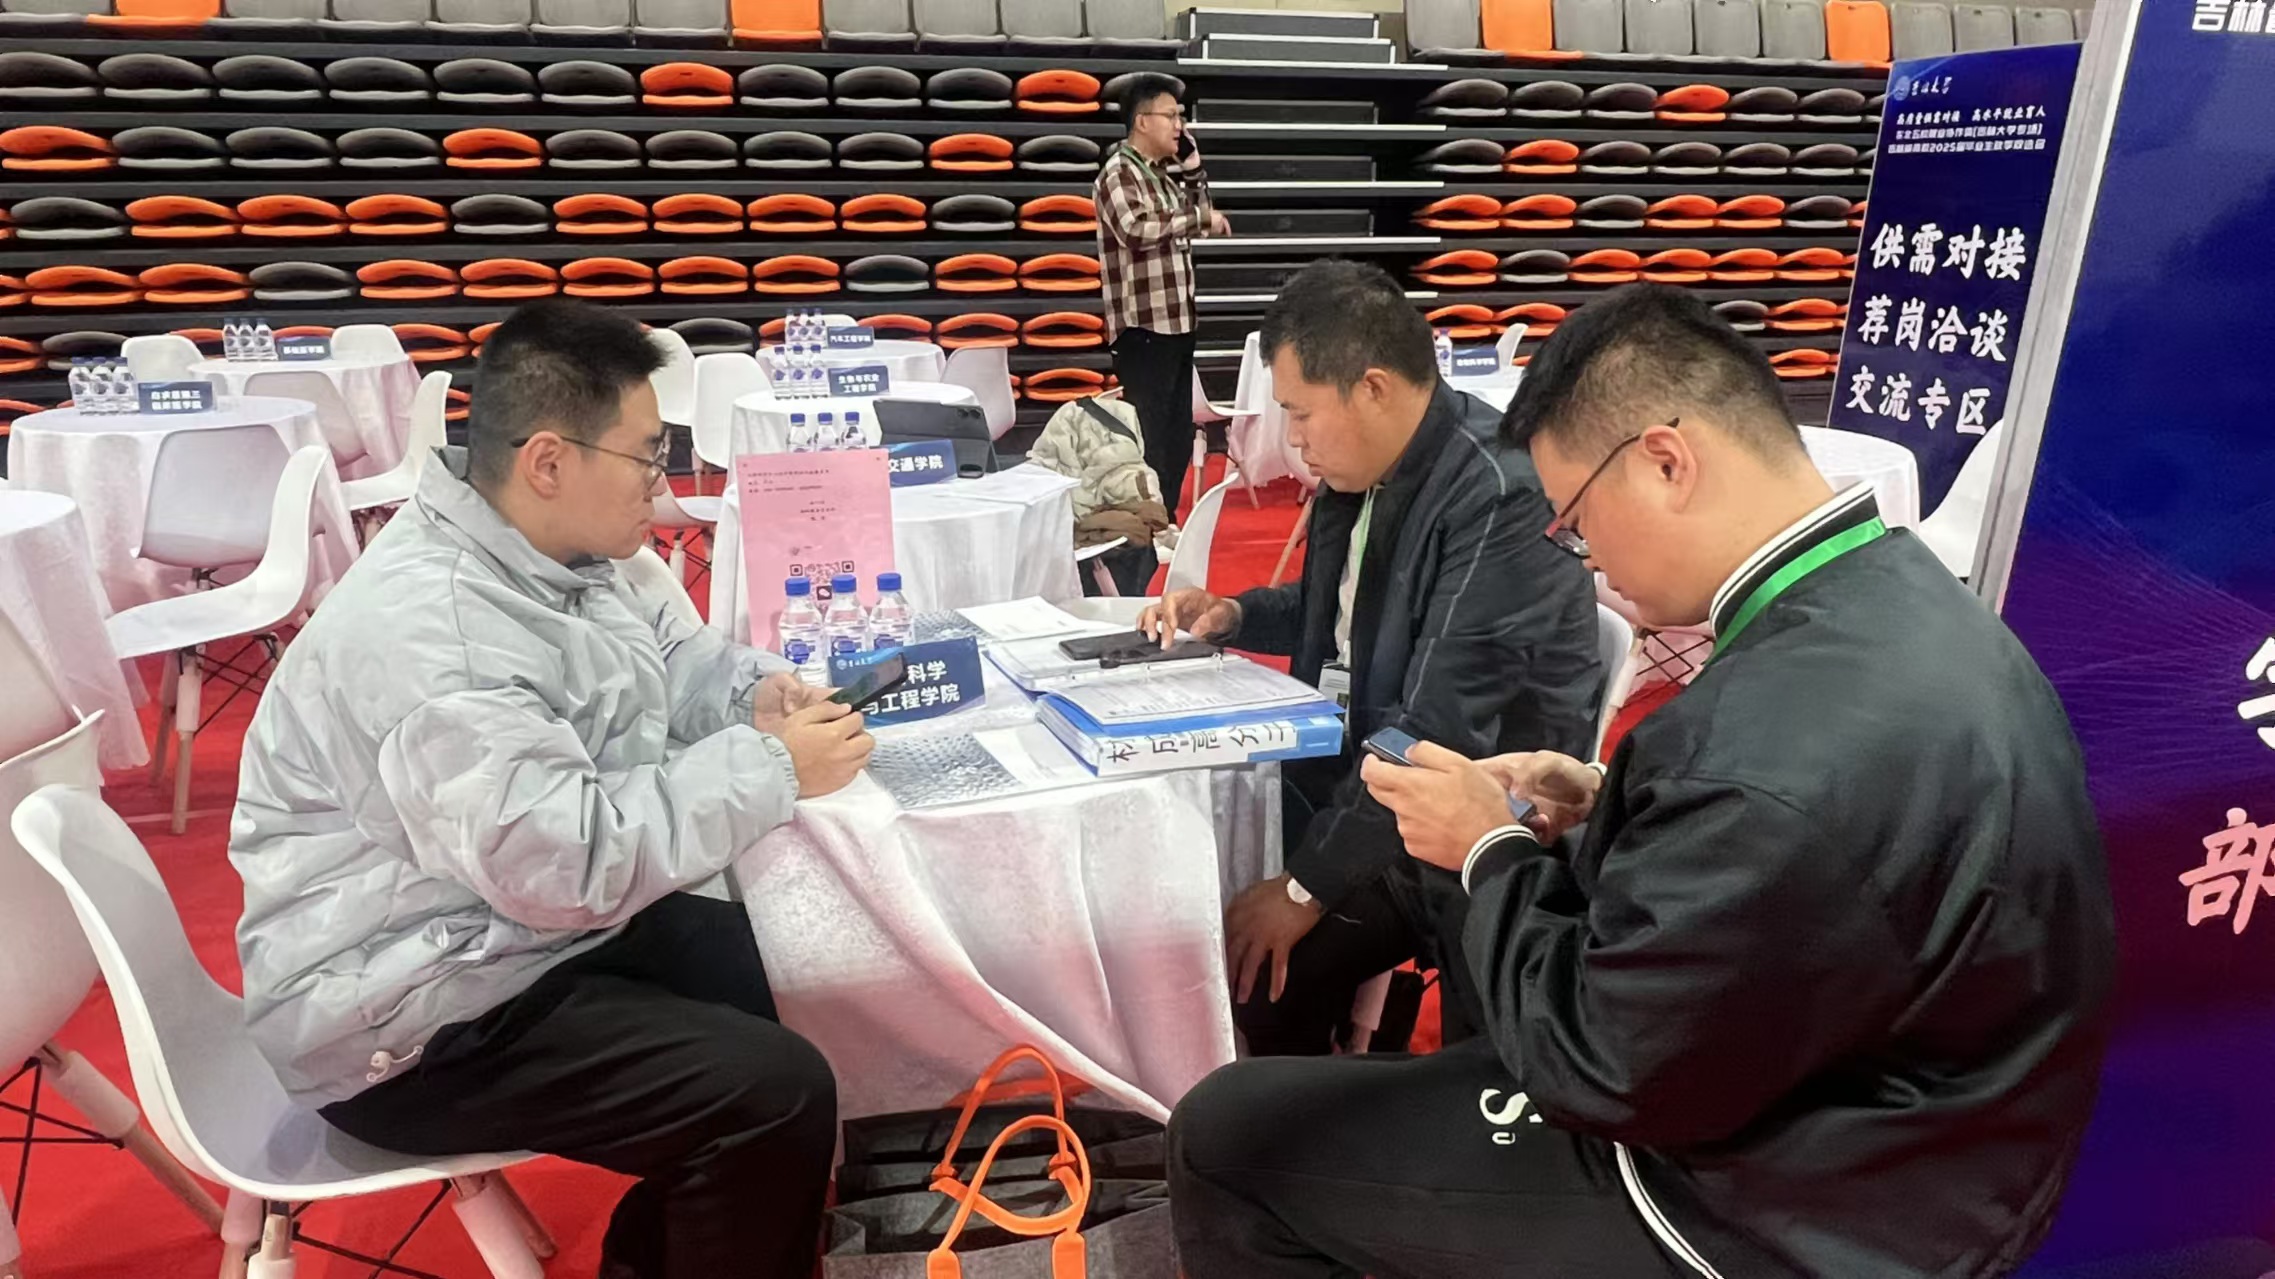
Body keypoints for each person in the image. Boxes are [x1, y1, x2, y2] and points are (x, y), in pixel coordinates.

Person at [1166, 283, 2116, 1278]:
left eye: (1579, 522)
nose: (1589, 562)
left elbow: (1597, 1067)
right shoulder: (1903, 598)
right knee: (1421, 925)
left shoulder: (1762, 741)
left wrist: (1489, 847)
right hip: (1921, 1135)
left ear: (1665, 462)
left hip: (1791, 1208)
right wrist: (1600, 795)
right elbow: (1801, 867)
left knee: (1227, 1136)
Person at [231, 299, 873, 1279]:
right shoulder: (437, 635)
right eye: (648, 458)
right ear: (548, 461)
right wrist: (774, 765)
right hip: (401, 1011)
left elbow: (672, 663)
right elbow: (562, 864)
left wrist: (756, 696)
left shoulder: (555, 551)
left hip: (507, 933)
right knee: (769, 1090)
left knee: (808, 969)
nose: (665, 487)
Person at [1141, 259, 1600, 1057]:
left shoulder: (1496, 495)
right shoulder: (1372, 469)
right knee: (1187, 869)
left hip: (1466, 809)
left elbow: (1438, 726)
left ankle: (1315, 1110)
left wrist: (1304, 888)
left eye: (1299, 413)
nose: (1292, 439)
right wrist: (1236, 613)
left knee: (1263, 971)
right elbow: (1343, 613)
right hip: (1360, 757)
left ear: (1373, 388)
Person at [1096, 70, 1230, 524]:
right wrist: (1197, 220)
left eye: (1181, 116)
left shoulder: (1162, 177)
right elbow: (1135, 230)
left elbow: (1202, 214)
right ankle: (1147, 526)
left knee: (1175, 436)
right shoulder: (1119, 172)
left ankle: (1165, 520)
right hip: (1143, 328)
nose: (1180, 126)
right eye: (1171, 115)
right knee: (1151, 435)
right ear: (1142, 121)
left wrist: (1193, 170)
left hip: (1177, 324)